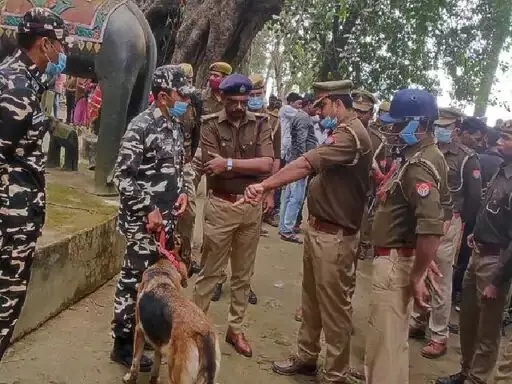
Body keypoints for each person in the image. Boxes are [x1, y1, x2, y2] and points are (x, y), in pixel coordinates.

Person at [238, 80, 372, 382]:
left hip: (335, 236)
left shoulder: (349, 135)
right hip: (320, 230)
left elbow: (305, 164)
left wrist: (265, 185)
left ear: (338, 104)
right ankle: (307, 357)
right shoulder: (342, 131)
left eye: (322, 104)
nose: (317, 110)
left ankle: (335, 374)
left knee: (334, 310)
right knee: (311, 301)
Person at [364, 89, 452, 384]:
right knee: (392, 342)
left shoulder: (419, 166)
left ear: (419, 123)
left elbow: (431, 225)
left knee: (384, 346)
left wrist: (416, 275)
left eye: (399, 124)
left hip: (394, 263)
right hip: (399, 257)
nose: (392, 130)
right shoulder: (424, 155)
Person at [110, 65, 194, 370]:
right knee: (133, 281)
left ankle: (144, 335)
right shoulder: (141, 127)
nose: (185, 100)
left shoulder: (175, 126)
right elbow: (123, 176)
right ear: (162, 96)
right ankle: (121, 343)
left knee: (156, 284)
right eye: (180, 94)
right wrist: (148, 208)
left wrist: (182, 192)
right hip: (141, 225)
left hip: (165, 223)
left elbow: (178, 169)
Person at [0, 7, 68, 360]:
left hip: (16, 215)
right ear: (44, 44)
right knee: (4, 307)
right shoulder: (18, 86)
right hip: (9, 222)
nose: (62, 53)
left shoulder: (20, 79)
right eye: (59, 45)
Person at [192, 73, 274, 358]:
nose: (239, 106)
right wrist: (246, 167)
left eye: (244, 100)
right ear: (221, 99)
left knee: (243, 275)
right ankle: (196, 330)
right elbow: (210, 166)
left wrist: (229, 163)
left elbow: (267, 164)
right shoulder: (210, 125)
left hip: (251, 209)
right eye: (233, 101)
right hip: (221, 207)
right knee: (210, 273)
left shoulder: (262, 122)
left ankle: (235, 329)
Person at [437, 119, 512, 384]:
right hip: (478, 252)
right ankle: (465, 371)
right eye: (501, 137)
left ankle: (477, 380)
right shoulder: (503, 170)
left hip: (496, 261)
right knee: (468, 321)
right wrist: (474, 232)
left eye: (507, 139)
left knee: (487, 330)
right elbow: (488, 208)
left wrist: (497, 280)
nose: (500, 142)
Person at [408, 107, 481, 359]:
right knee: (420, 269)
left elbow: (473, 198)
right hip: (424, 220)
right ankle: (418, 320)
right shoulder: (428, 150)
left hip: (449, 222)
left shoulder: (466, 158)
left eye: (446, 126)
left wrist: (459, 223)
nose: (440, 130)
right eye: (438, 125)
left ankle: (439, 335)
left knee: (440, 277)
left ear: (456, 129)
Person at [452, 117, 489, 308]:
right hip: (454, 218)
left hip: (435, 215)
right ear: (464, 133)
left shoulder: (442, 149)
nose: (479, 143)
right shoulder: (470, 158)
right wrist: (466, 217)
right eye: (477, 138)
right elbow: (474, 195)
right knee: (449, 263)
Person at [279, 93, 318, 243]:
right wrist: (303, 162)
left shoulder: (301, 117)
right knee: (296, 198)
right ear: (309, 104)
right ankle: (287, 229)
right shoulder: (303, 118)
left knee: (289, 196)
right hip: (298, 161)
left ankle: (284, 227)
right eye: (316, 106)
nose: (317, 110)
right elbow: (301, 141)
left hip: (293, 160)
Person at [352, 89, 378, 260]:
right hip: (343, 185)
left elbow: (380, 170)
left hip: (363, 187)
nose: (359, 115)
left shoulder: (377, 139)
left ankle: (363, 245)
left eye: (364, 112)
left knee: (363, 215)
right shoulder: (344, 131)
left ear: (371, 113)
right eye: (356, 111)